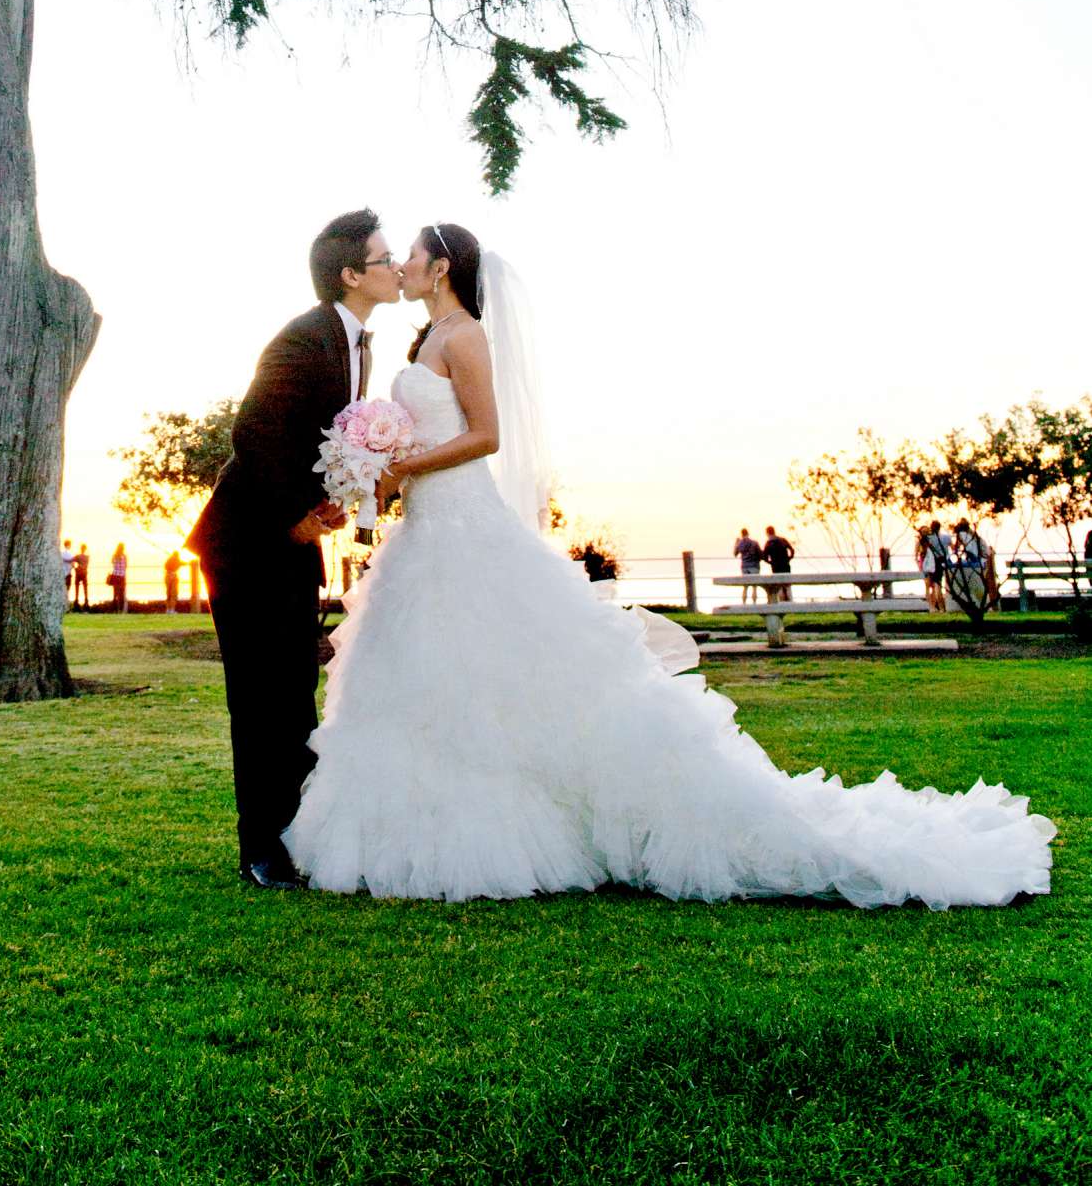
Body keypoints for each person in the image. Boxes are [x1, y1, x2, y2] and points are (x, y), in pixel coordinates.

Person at [284, 222, 1054, 907]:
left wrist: (401, 466)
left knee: (508, 672)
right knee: (432, 680)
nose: (403, 266)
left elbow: (485, 436)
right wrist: (376, 468)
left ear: (442, 266)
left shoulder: (465, 337)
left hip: (465, 523)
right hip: (423, 533)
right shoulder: (418, 343)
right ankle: (439, 824)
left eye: (411, 256)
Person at [187, 205, 403, 889]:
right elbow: (251, 432)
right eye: (382, 258)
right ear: (348, 274)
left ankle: (298, 837)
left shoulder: (353, 341)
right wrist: (292, 516)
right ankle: (262, 851)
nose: (395, 267)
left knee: (291, 693)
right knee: (261, 699)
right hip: (246, 542)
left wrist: (328, 500)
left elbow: (310, 443)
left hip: (284, 541)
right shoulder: (304, 338)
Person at [761, 524, 795, 603]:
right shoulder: (783, 540)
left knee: (778, 585)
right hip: (786, 565)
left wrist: (771, 563)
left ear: (767, 533)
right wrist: (789, 558)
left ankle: (781, 602)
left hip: (776, 567)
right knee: (787, 584)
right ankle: (790, 601)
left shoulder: (768, 543)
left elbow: (764, 557)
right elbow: (792, 550)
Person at [733, 526, 763, 604]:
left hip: (744, 566)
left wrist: (736, 544)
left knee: (745, 587)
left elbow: (735, 554)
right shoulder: (754, 543)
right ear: (748, 533)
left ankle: (744, 604)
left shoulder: (740, 544)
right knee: (754, 587)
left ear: (742, 534)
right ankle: (754, 603)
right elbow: (760, 554)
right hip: (754, 566)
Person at [108, 544, 129, 613]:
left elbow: (112, 563)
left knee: (115, 594)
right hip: (122, 576)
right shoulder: (124, 556)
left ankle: (115, 609)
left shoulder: (114, 556)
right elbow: (126, 566)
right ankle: (121, 609)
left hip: (115, 576)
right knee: (121, 594)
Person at [72, 545, 91, 611]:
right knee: (85, 589)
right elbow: (86, 565)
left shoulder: (78, 556)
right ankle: (86, 603)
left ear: (81, 549)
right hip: (84, 573)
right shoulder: (87, 557)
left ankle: (76, 602)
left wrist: (75, 568)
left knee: (77, 588)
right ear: (85, 549)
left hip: (78, 572)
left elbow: (72, 561)